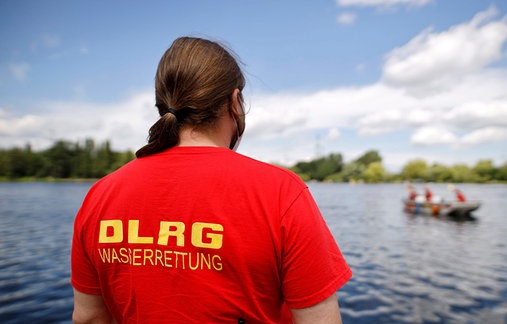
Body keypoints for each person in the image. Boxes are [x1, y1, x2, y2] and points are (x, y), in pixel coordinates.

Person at [71, 37, 352, 323]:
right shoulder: (282, 192)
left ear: (163, 104)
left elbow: (89, 318)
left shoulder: (100, 195)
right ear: (234, 101)